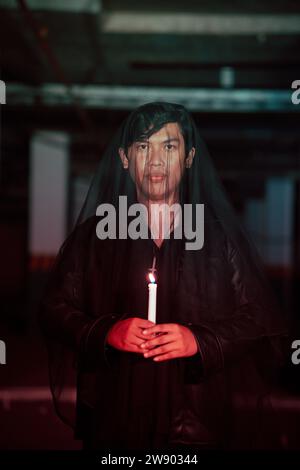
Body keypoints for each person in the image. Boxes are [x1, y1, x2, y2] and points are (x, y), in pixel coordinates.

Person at [39, 102, 287, 450]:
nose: (155, 161)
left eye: (169, 146)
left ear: (188, 158)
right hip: (115, 419)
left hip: (195, 421)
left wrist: (199, 341)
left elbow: (259, 317)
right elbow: (53, 309)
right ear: (126, 159)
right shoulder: (94, 238)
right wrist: (106, 332)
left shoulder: (220, 237)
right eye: (143, 146)